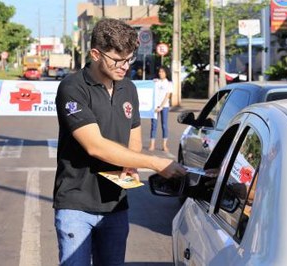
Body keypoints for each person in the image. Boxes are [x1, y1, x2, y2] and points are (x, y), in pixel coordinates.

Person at [53, 18, 187, 266]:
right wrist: (155, 163)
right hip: (77, 205)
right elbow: (95, 145)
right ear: (95, 53)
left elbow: (134, 136)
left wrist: (131, 164)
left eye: (129, 59)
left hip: (116, 205)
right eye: (117, 60)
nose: (125, 66)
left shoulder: (128, 88)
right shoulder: (73, 88)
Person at [148, 66, 173, 152]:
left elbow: (167, 96)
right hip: (154, 107)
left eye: (162, 72)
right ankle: (152, 145)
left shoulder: (169, 83)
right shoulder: (155, 82)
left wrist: (161, 107)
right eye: (159, 71)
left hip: (164, 107)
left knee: (164, 125)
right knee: (153, 125)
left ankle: (164, 145)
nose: (160, 73)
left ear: (166, 73)